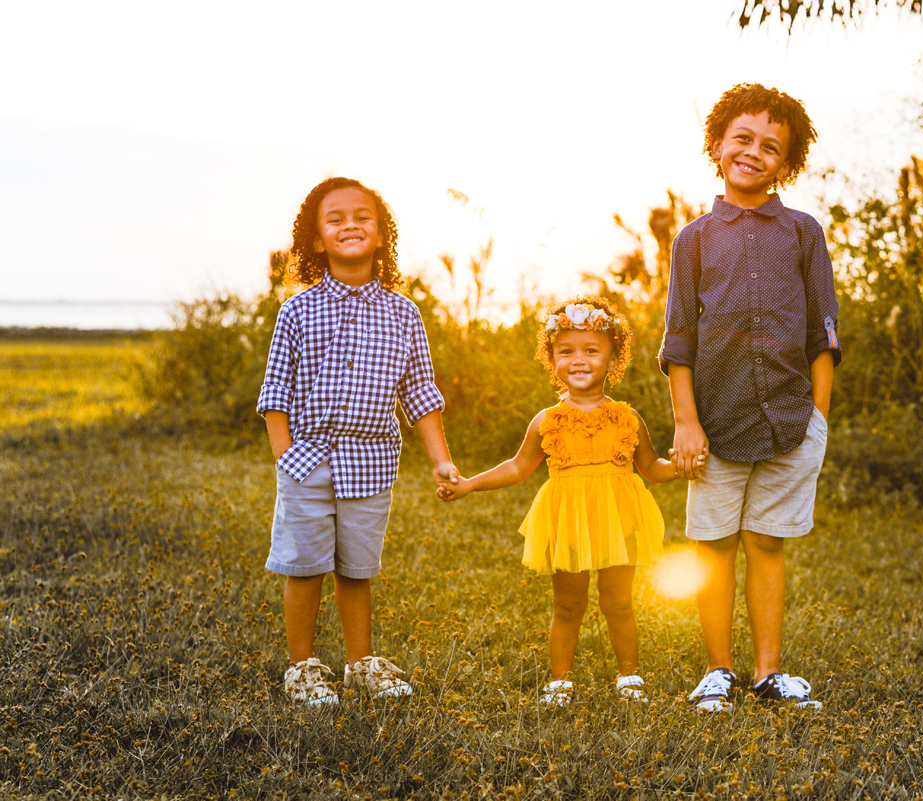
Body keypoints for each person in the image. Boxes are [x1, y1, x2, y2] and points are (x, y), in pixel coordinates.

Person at [660, 83, 842, 712]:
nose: (755, 152)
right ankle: (718, 671)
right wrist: (687, 423)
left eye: (772, 147)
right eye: (743, 138)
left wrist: (817, 418)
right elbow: (678, 341)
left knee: (767, 544)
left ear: (785, 165)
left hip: (792, 421)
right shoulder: (694, 240)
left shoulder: (802, 233)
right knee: (714, 547)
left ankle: (768, 675)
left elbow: (824, 331)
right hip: (715, 421)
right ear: (717, 146)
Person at [258, 177, 459, 706]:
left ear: (380, 233)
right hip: (307, 459)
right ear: (318, 240)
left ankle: (359, 663)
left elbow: (420, 393)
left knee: (357, 568)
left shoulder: (403, 314)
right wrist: (285, 457)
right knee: (304, 567)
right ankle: (301, 667)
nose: (351, 225)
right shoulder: (297, 311)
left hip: (370, 462)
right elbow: (275, 390)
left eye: (362, 216)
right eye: (336, 218)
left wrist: (441, 460)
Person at [439, 296, 678, 705]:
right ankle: (560, 682)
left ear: (612, 357)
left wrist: (684, 467)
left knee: (618, 603)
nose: (579, 360)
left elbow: (652, 467)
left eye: (591, 350)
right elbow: (517, 467)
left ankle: (629, 678)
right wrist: (470, 484)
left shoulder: (627, 417)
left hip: (618, 521)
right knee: (567, 605)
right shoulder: (547, 420)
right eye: (566, 351)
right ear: (552, 359)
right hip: (566, 519)